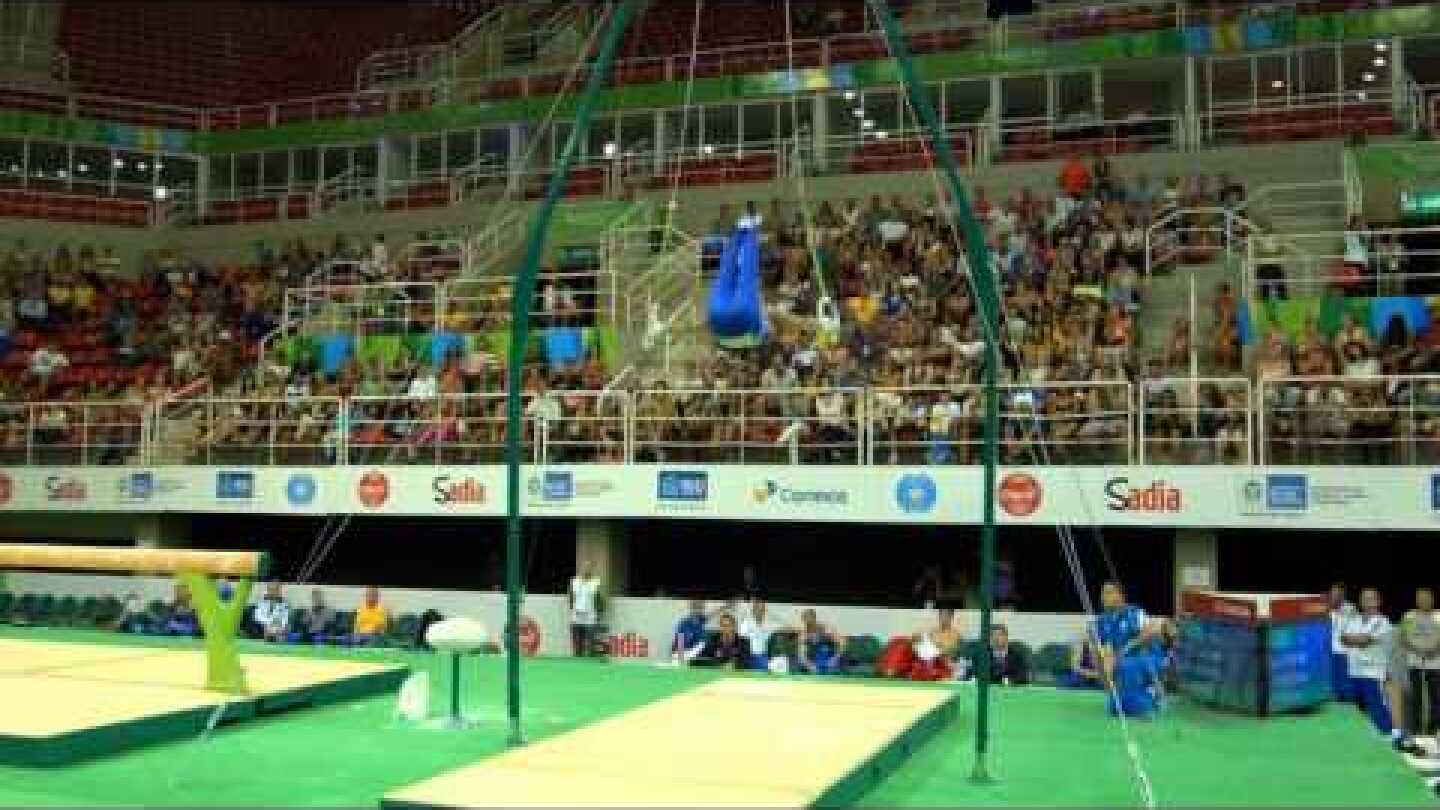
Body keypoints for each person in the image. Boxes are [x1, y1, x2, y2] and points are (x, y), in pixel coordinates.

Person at [1093, 581, 1162, 716]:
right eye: (1102, 593)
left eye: (1108, 593)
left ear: (1120, 596)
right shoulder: (1102, 620)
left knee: (1128, 666)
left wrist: (1128, 647)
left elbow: (1153, 631)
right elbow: (1103, 647)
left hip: (1145, 656)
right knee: (1114, 709)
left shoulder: (1135, 612)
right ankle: (1116, 696)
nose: (1103, 597)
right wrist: (1105, 660)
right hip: (1120, 659)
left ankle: (1152, 695)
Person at [1340, 586, 1394, 737]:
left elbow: (1365, 641)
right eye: (1364, 598)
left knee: (1377, 707)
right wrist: (1356, 639)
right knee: (1358, 710)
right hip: (1354, 671)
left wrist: (1355, 639)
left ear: (1378, 601)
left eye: (1371, 598)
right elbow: (1343, 638)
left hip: (1373, 673)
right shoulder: (1354, 619)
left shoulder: (1383, 622)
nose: (1366, 601)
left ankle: (1389, 736)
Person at [1400, 588, 1440, 740]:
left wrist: (1433, 650)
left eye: (1427, 597)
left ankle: (1433, 731)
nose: (1424, 600)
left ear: (1432, 599)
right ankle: (1415, 730)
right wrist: (1417, 649)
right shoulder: (1409, 616)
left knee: (1436, 699)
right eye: (1420, 598)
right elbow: (1404, 637)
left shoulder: (1438, 616)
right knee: (1415, 698)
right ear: (1416, 600)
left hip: (1436, 664)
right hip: (1414, 663)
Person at [1328, 582, 1358, 703]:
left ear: (1343, 595)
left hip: (1345, 651)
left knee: (1346, 681)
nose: (1335, 596)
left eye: (1338, 594)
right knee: (1333, 681)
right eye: (1333, 594)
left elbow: (1353, 628)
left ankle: (1349, 701)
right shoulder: (1325, 608)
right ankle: (1336, 698)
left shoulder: (1351, 608)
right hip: (1330, 650)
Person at [795, 608, 844, 675]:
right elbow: (801, 655)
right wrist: (809, 666)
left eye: (809, 623)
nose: (807, 625)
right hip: (815, 662)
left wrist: (835, 658)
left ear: (814, 619)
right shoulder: (804, 634)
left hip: (830, 660)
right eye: (806, 623)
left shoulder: (826, 629)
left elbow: (842, 643)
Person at [738, 598, 783, 671]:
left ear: (764, 607)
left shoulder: (771, 622)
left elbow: (784, 627)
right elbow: (741, 640)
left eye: (759, 604)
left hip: (765, 655)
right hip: (749, 656)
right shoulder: (746, 622)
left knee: (773, 664)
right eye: (754, 605)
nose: (757, 607)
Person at [569, 561, 601, 658]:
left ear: (592, 569)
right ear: (581, 568)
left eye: (589, 567)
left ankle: (590, 663)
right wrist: (573, 608)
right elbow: (571, 597)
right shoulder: (574, 581)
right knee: (577, 645)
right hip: (576, 616)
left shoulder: (596, 582)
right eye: (585, 567)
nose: (586, 569)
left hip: (590, 617)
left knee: (591, 644)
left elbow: (598, 598)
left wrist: (598, 612)